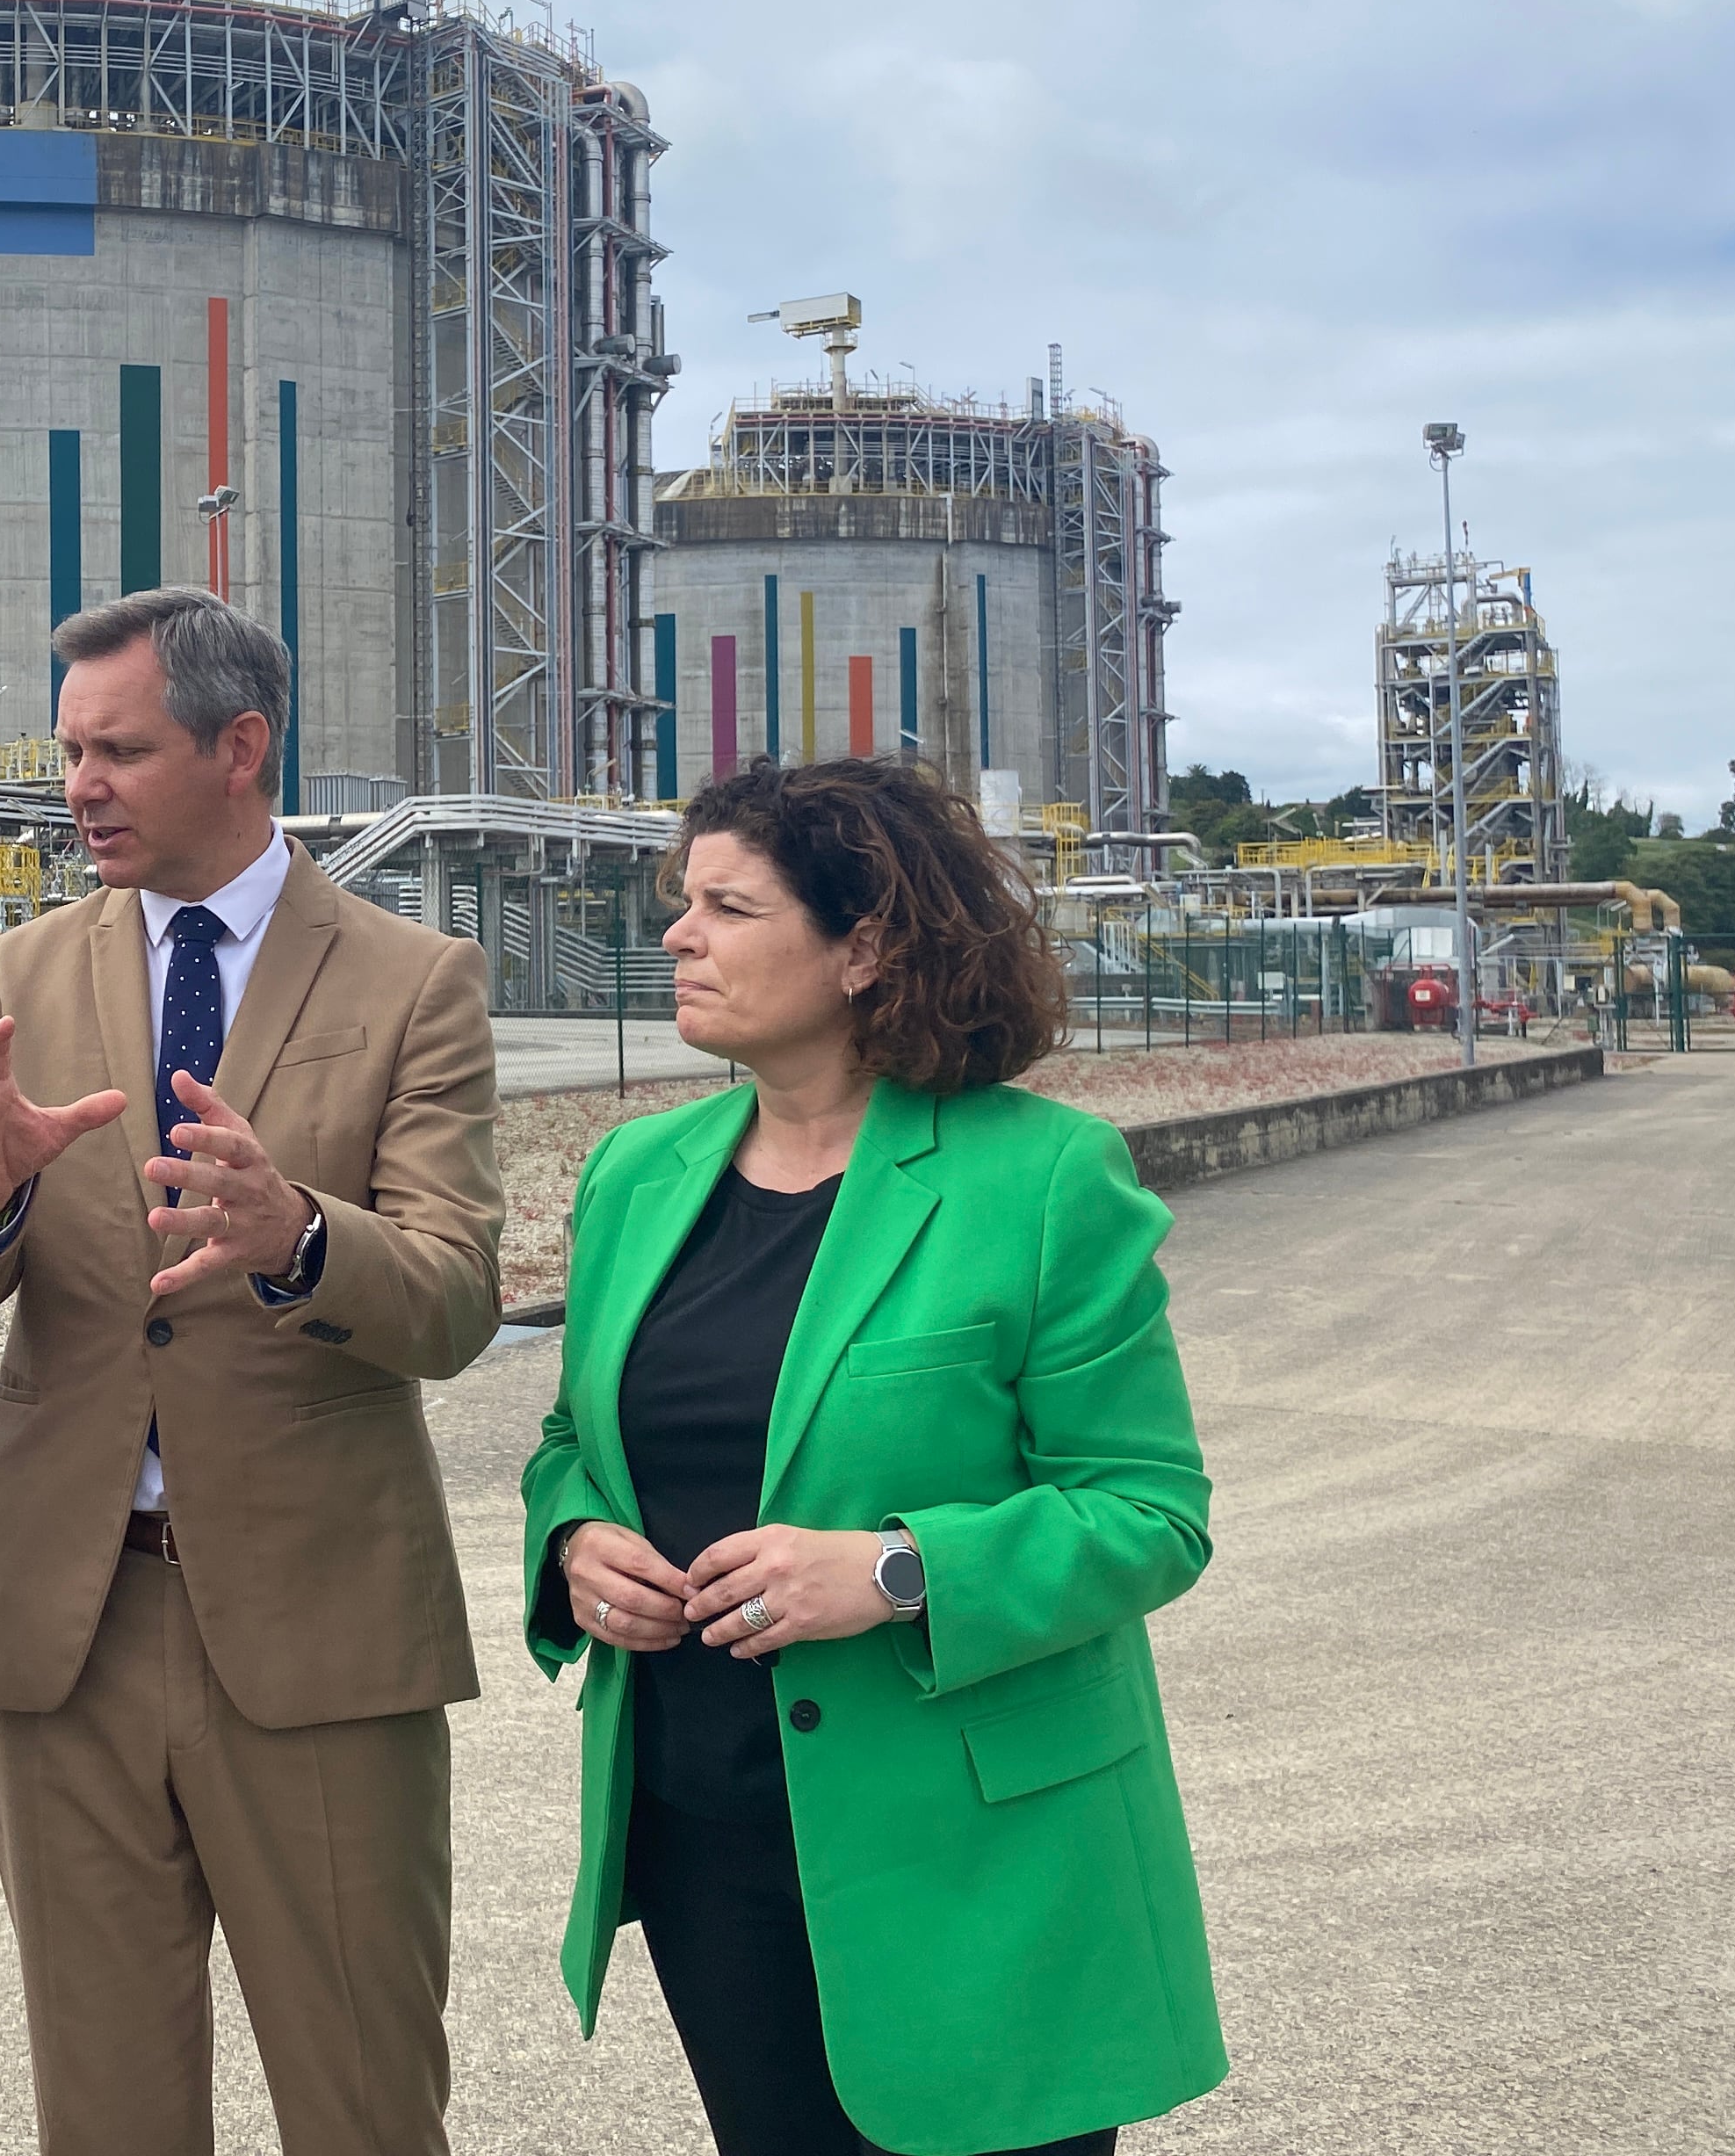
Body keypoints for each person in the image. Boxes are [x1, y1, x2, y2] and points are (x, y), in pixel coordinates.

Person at [521, 756, 1225, 2156]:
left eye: (726, 904)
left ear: (866, 945)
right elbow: (568, 1446)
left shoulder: (1042, 1180)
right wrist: (576, 1546)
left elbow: (1152, 1511)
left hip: (972, 1851)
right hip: (708, 1828)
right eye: (681, 901)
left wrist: (902, 1570)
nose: (677, 934)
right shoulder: (634, 1176)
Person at [0, 587, 505, 2156]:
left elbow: (452, 1302)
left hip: (317, 1630)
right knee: (105, 2111)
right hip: (64, 1628)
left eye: (118, 750)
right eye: (69, 749)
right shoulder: (17, 970)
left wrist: (300, 1235)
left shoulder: (413, 982)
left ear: (242, 747)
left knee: (363, 2098)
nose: (76, 784)